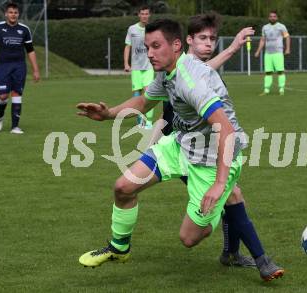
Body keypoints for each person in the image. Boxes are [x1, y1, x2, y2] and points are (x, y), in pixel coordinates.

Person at [77, 18, 284, 281]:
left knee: (189, 238)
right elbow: (143, 101)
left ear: (176, 46)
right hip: (180, 144)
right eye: (147, 47)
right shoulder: (166, 72)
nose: (149, 53)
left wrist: (220, 183)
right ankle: (119, 249)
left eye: (155, 46)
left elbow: (226, 130)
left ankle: (226, 219)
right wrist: (109, 114)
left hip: (212, 158)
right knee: (123, 187)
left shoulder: (190, 80)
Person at [150, 13, 284, 279]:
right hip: (189, 153)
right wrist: (150, 148)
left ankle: (236, 255)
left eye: (212, 38)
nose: (209, 44)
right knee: (230, 196)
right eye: (202, 38)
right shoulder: (179, 75)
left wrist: (233, 47)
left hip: (209, 149)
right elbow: (164, 117)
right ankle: (259, 260)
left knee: (232, 195)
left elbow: (209, 67)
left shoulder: (195, 70)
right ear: (185, 42)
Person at [0, 2, 40, 134]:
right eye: (11, 12)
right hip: (3, 66)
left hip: (19, 66)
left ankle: (15, 127)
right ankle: (0, 117)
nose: (13, 15)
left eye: (15, 12)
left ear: (18, 14)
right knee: (3, 96)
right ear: (6, 14)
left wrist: (36, 70)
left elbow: (30, 51)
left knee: (17, 94)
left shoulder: (24, 29)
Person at [123, 5, 155, 128]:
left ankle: (149, 121)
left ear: (149, 15)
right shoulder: (132, 29)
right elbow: (127, 46)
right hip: (136, 68)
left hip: (149, 67)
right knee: (137, 96)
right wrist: (126, 63)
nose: (144, 16)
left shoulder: (152, 29)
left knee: (148, 94)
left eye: (146, 14)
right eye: (142, 13)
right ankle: (140, 119)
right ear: (138, 15)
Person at [254, 10, 290, 96]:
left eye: (274, 16)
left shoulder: (281, 26)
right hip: (268, 53)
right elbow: (263, 40)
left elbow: (287, 37)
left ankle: (281, 89)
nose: (272, 18)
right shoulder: (265, 27)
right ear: (268, 18)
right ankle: (266, 90)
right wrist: (258, 51)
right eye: (271, 16)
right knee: (268, 72)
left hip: (278, 52)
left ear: (277, 17)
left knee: (280, 71)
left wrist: (288, 49)